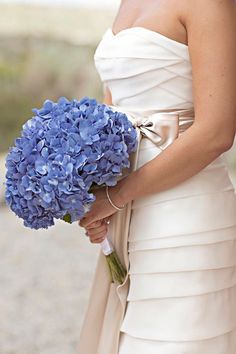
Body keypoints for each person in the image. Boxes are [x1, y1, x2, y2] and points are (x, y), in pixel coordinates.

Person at [77, 1, 236, 353]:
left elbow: (217, 132)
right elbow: (113, 114)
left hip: (187, 213)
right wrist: (94, 190)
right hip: (128, 208)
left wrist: (117, 196)